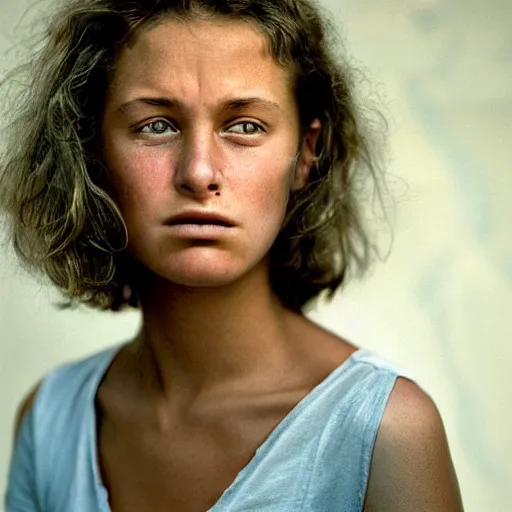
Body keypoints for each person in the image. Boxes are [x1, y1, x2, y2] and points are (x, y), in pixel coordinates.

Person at [1, 0, 464, 510]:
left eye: (245, 126)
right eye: (157, 125)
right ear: (91, 152)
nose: (199, 173)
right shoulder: (50, 422)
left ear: (306, 154)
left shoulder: (385, 431)